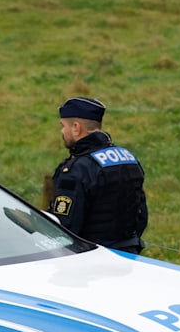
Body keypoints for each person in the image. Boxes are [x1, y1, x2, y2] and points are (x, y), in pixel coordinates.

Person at [47, 95, 148, 252]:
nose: (62, 131)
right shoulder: (128, 158)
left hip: (92, 259)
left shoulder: (78, 168)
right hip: (129, 255)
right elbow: (141, 215)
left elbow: (66, 227)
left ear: (76, 127)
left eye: (63, 126)